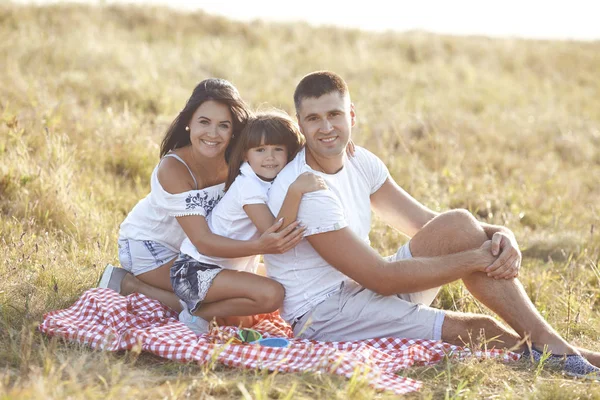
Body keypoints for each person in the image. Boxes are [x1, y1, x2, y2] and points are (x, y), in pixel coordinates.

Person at [264, 71, 600, 377]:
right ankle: (561, 354)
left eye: (334, 114)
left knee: (457, 223)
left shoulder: (359, 160)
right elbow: (380, 278)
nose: (326, 128)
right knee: (480, 328)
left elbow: (427, 224)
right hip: (325, 314)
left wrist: (501, 234)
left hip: (361, 288)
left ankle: (555, 347)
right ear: (301, 124)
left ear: (351, 114)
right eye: (314, 119)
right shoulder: (308, 189)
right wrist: (476, 259)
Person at [98, 79, 304, 318]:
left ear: (234, 129)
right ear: (189, 122)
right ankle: (132, 285)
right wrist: (259, 246)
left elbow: (286, 148)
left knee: (276, 285)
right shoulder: (174, 169)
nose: (213, 134)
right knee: (237, 316)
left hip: (205, 255)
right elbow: (203, 240)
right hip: (154, 249)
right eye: (204, 122)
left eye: (223, 126)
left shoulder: (241, 159)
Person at [171, 111, 328, 334]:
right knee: (272, 294)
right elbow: (276, 233)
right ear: (246, 155)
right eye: (260, 150)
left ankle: (208, 310)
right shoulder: (248, 186)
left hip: (224, 269)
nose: (270, 157)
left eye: (278, 149)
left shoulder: (270, 179)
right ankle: (197, 314)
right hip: (194, 271)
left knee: (276, 292)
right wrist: (296, 190)